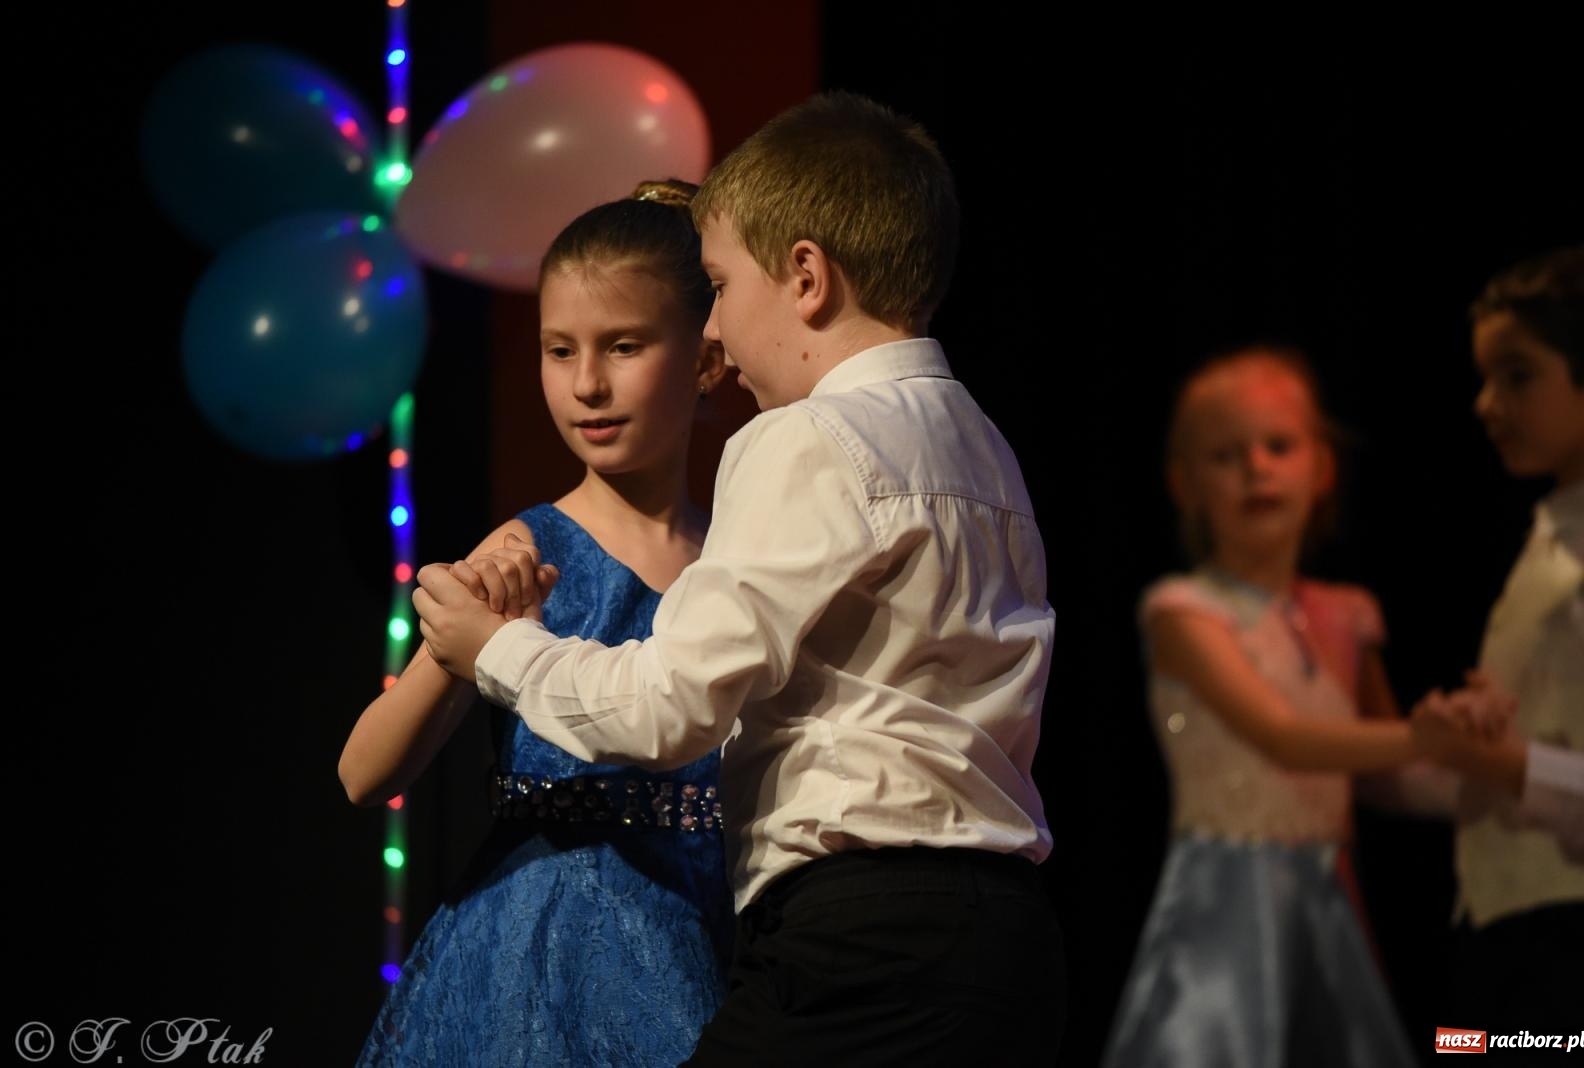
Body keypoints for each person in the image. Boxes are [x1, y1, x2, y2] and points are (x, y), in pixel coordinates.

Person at [414, 91, 1067, 1064]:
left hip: (865, 936)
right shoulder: (983, 447)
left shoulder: (806, 436)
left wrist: (497, 646)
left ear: (805, 276)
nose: (712, 328)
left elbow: (669, 707)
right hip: (1006, 939)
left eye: (717, 285)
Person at [339, 179, 733, 1066]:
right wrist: (467, 639)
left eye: (624, 346)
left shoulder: (739, 558)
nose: (587, 384)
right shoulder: (529, 548)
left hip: (706, 944)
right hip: (541, 957)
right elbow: (364, 773)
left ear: (706, 360)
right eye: (560, 351)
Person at [1101, 346, 1504, 1068]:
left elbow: (1389, 776)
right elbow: (1284, 738)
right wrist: (1423, 735)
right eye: (1226, 455)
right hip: (1226, 907)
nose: (1256, 466)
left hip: (1324, 901)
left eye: (1278, 446)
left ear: (1321, 468)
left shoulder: (1348, 614)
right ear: (1184, 482)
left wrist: (1493, 771)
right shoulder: (1184, 612)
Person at [1439, 243, 1584, 1037]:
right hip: (1509, 933)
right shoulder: (1555, 530)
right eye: (1486, 377)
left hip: (1572, 941)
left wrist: (1501, 761)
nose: (1486, 404)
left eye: (1519, 375)